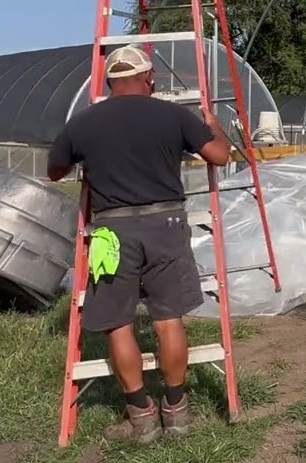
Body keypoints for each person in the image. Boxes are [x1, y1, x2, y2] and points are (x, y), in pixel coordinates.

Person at [47, 45, 232, 443]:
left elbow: (54, 171)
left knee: (117, 324)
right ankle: (177, 413)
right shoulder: (173, 115)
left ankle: (141, 418)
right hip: (166, 225)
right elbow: (219, 155)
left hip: (112, 232)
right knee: (168, 320)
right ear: (149, 78)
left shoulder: (83, 122)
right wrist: (214, 125)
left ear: (108, 82)